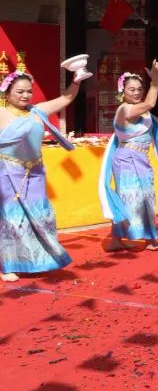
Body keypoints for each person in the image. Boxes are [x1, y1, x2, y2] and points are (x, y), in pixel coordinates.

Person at [0, 69, 84, 281]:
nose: (25, 95)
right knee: (12, 219)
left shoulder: (37, 111)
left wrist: (76, 81)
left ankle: (35, 259)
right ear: (7, 93)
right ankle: (7, 265)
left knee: (40, 217)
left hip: (35, 174)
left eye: (29, 91)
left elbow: (66, 98)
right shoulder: (1, 113)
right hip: (8, 173)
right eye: (19, 91)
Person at [99, 62, 158, 252]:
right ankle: (118, 239)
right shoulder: (125, 110)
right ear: (123, 92)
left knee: (147, 199)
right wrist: (155, 80)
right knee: (129, 199)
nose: (136, 93)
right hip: (126, 160)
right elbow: (150, 103)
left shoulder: (144, 113)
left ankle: (149, 239)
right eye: (131, 89)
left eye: (139, 89)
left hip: (141, 159)